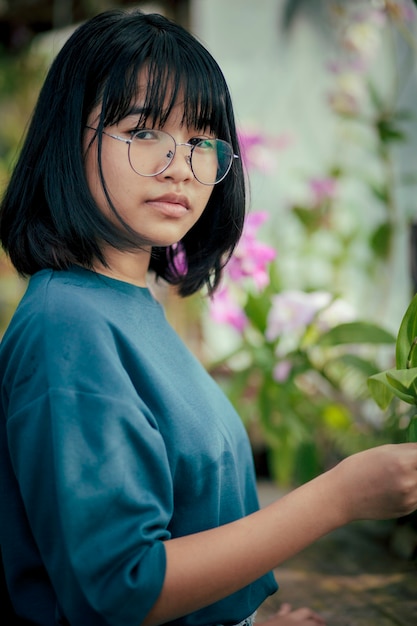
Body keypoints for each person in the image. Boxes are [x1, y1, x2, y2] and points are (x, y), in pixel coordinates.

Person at [0, 9, 416, 626]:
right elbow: (122, 587)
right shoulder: (69, 324)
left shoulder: (125, 303)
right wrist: (339, 497)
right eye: (143, 132)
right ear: (68, 138)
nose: (181, 166)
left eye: (199, 141)